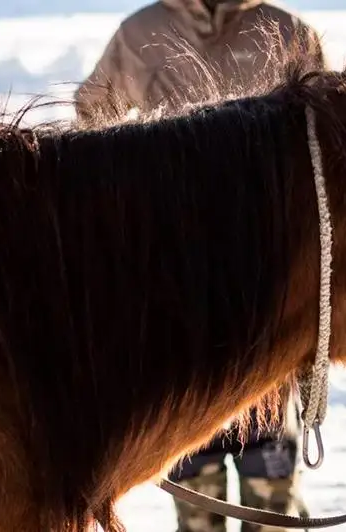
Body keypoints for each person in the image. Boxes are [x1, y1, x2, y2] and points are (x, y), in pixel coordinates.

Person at [73, 2, 327, 531]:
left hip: (271, 304)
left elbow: (330, 157)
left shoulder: (288, 34)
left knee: (271, 504)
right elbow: (89, 130)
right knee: (199, 511)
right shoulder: (141, 34)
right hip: (180, 318)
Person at [73, 0, 326, 126]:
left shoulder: (288, 31)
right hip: (172, 202)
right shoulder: (137, 33)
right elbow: (92, 113)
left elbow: (325, 125)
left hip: (266, 204)